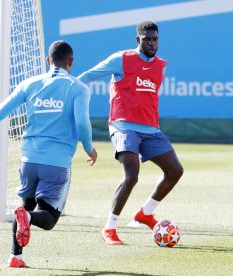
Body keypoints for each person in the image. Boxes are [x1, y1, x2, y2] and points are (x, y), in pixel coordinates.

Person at [0, 40, 98, 267]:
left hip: (28, 160)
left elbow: (1, 111)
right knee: (47, 218)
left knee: (23, 208)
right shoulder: (78, 88)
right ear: (71, 62)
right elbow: (82, 123)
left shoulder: (30, 83)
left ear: (48, 60)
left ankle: (15, 257)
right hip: (56, 164)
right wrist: (89, 148)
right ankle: (27, 220)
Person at [78, 21, 183, 245]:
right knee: (132, 175)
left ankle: (145, 213)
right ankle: (109, 228)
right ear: (138, 40)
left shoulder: (161, 65)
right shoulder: (121, 59)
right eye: (147, 39)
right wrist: (69, 96)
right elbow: (86, 77)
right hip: (123, 125)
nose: (152, 43)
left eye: (155, 39)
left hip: (151, 129)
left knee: (175, 171)